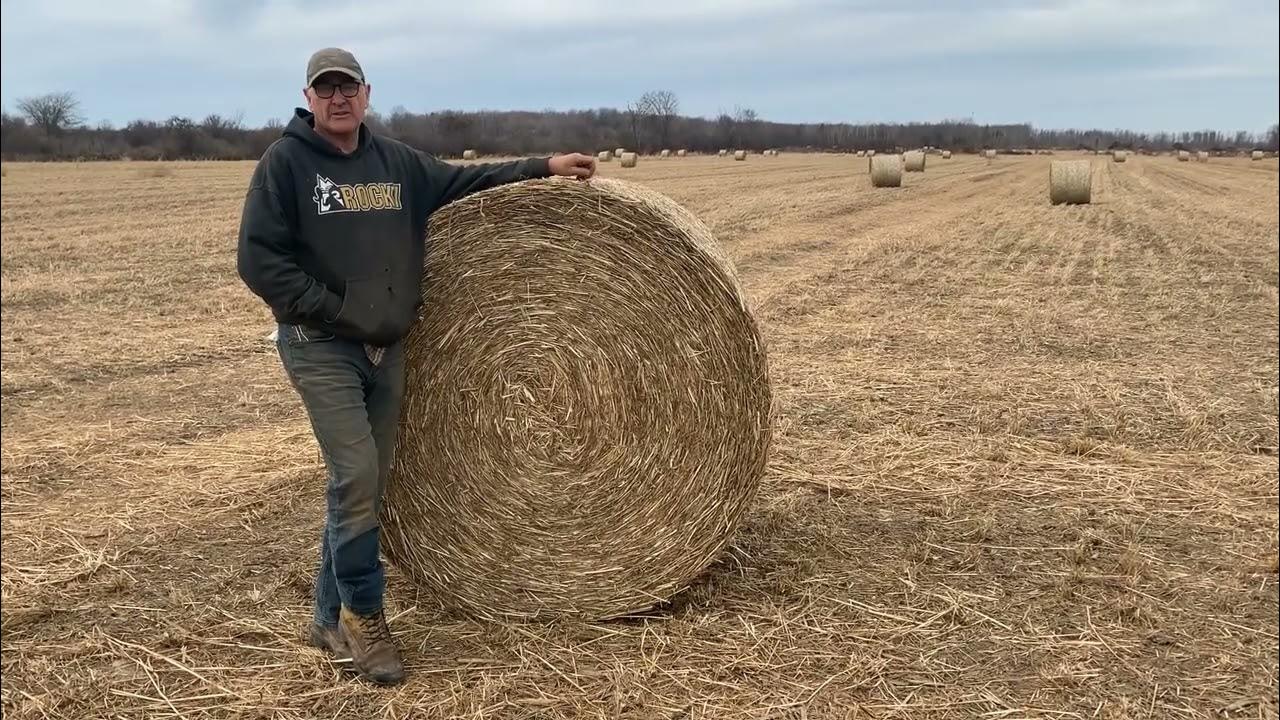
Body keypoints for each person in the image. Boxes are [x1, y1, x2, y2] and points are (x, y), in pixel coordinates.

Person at [236, 47, 595, 685]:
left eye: (348, 87)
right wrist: (336, 308)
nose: (338, 98)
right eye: (326, 89)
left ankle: (325, 616)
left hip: (387, 347)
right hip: (321, 346)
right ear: (309, 97)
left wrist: (544, 166)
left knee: (363, 482)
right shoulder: (285, 164)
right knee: (356, 475)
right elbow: (260, 262)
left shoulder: (396, 162)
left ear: (367, 94)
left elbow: (465, 180)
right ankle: (366, 624)